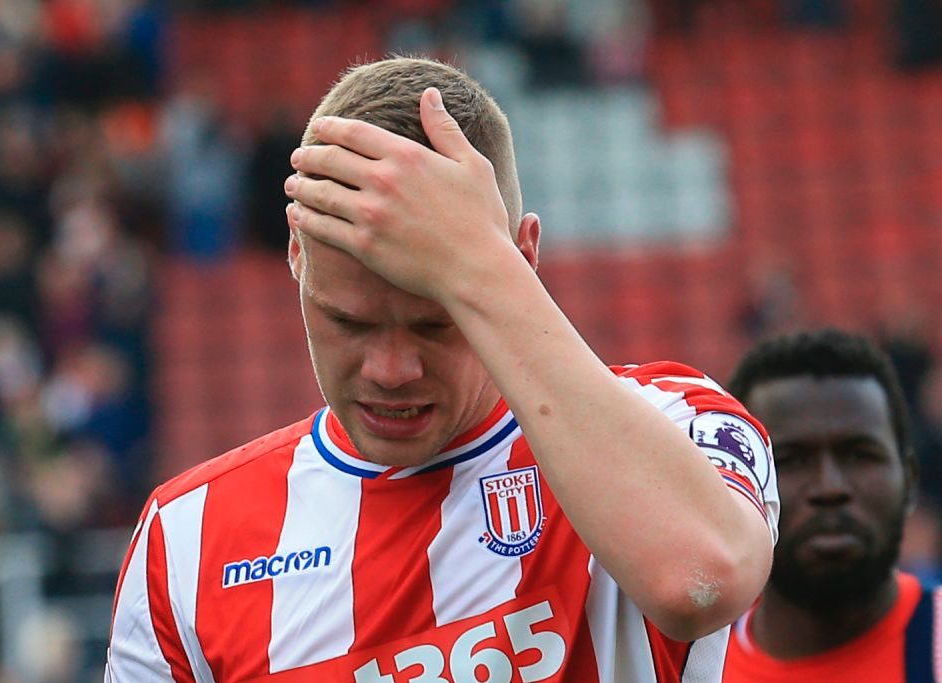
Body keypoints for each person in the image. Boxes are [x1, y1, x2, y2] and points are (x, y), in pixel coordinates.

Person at [105, 56, 778, 682]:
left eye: (436, 321)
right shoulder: (185, 539)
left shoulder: (679, 420)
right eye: (350, 322)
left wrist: (478, 266)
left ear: (522, 261)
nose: (390, 368)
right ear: (295, 256)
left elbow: (703, 580)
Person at [721, 328, 940, 682]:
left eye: (860, 455)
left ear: (910, 478)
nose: (830, 488)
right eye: (790, 460)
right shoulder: (682, 669)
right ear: (741, 488)